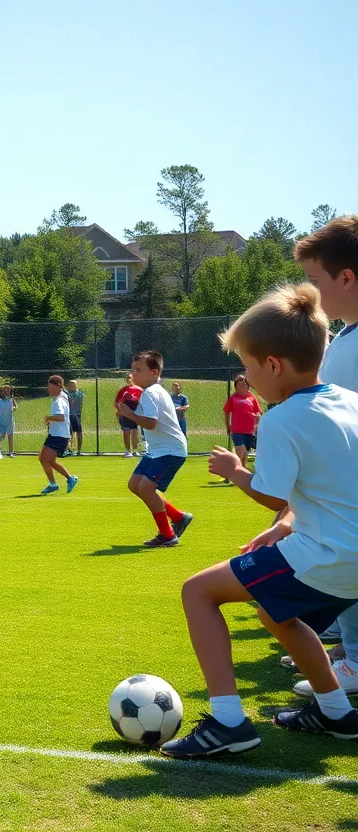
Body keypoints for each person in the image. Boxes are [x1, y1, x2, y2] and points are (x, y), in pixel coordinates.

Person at [162, 283, 358, 758]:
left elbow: (271, 494)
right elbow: (331, 489)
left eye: (248, 366)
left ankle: (229, 723)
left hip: (327, 556)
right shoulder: (351, 403)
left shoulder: (283, 419)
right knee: (274, 610)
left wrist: (235, 472)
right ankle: (336, 712)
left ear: (272, 365)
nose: (245, 376)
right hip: (350, 559)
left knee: (198, 591)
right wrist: (285, 526)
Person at [287, 215, 358, 697]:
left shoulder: (349, 348)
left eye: (316, 282)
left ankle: (354, 663)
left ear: (347, 278)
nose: (312, 294)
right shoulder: (346, 339)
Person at [116, 351, 191, 547]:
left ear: (154, 372)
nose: (133, 374)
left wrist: (130, 414)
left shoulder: (151, 393)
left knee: (146, 488)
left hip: (170, 450)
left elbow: (150, 423)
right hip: (158, 450)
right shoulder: (151, 391)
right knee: (135, 485)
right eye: (132, 369)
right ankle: (178, 517)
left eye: (138, 370)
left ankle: (167, 535)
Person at [39, 376, 79, 495]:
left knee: (44, 459)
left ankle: (56, 483)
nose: (48, 388)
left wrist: (48, 418)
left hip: (59, 435)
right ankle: (66, 480)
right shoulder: (61, 397)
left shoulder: (58, 401)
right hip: (57, 434)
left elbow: (60, 417)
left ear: (57, 386)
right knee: (47, 460)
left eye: (50, 386)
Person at [223, 374, 262, 472]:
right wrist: (228, 426)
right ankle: (232, 471)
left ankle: (242, 472)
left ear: (248, 386)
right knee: (241, 451)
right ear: (236, 387)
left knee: (245, 454)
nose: (242, 386)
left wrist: (257, 415)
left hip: (249, 430)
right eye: (239, 385)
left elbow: (258, 411)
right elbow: (226, 412)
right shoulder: (233, 398)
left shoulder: (252, 397)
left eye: (244, 384)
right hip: (237, 430)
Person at [115, 372, 143, 457]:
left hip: (135, 414)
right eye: (127, 378)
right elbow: (117, 402)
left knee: (134, 431)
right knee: (126, 431)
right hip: (125, 414)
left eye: (130, 378)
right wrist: (120, 411)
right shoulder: (123, 390)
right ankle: (127, 451)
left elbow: (142, 402)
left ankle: (135, 450)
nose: (129, 379)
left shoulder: (139, 390)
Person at [0, 385, 17, 457]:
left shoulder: (11, 399)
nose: (7, 391)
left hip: (10, 420)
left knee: (10, 436)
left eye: (8, 389)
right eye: (5, 389)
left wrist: (13, 408)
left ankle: (11, 452)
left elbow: (16, 406)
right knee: (2, 436)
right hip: (2, 420)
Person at [66, 380, 85, 456]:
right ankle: (69, 449)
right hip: (69, 415)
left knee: (79, 432)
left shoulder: (79, 394)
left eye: (73, 385)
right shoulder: (66, 394)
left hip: (77, 415)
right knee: (70, 433)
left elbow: (81, 395)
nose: (71, 387)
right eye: (70, 385)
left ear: (76, 386)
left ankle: (79, 450)